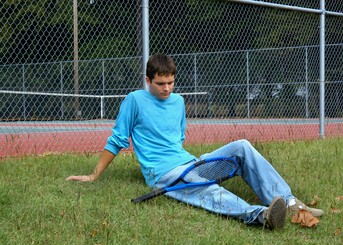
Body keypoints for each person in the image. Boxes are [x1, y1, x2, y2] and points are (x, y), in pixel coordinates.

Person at [66, 53, 324, 230]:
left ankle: (289, 202)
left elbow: (178, 138)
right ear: (147, 80)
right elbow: (117, 140)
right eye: (160, 84)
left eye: (170, 83)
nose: (166, 89)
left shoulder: (178, 102)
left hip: (190, 162)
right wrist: (93, 175)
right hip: (164, 173)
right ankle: (259, 216)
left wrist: (193, 163)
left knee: (242, 146)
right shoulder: (134, 100)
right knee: (203, 188)